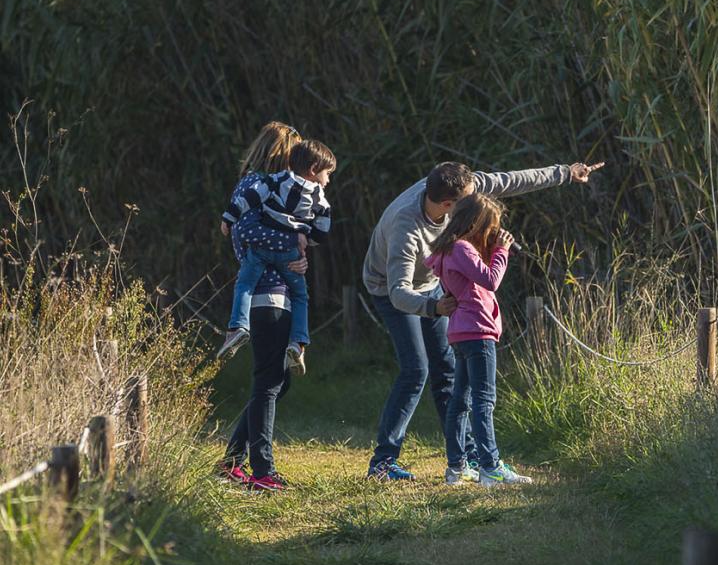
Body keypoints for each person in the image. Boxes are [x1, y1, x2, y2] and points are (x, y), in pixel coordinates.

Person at [362, 158, 604, 481]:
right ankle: (383, 462)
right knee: (416, 369)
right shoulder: (407, 227)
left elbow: (510, 180)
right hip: (391, 287)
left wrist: (565, 173)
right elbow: (398, 292)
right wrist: (434, 308)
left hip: (434, 284)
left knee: (449, 372)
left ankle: (467, 460)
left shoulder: (457, 188)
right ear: (450, 205)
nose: (478, 203)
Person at [215, 121, 307, 492]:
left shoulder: (266, 189)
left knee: (275, 381)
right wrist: (294, 243)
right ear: (283, 154)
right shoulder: (257, 185)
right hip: (266, 294)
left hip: (277, 291)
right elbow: (245, 231)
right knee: (269, 382)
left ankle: (232, 460)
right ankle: (262, 471)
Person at [425, 194, 530, 487]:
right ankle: (490, 466)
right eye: (492, 226)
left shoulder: (448, 249)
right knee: (484, 401)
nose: (495, 232)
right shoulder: (462, 248)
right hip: (477, 332)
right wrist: (501, 251)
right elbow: (491, 280)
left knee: (460, 401)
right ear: (478, 224)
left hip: (460, 333)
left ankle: (457, 466)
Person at [217, 139, 336, 375]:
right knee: (301, 296)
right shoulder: (319, 198)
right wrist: (305, 240)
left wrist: (228, 218)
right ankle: (299, 342)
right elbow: (322, 229)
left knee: (244, 284)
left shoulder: (274, 180)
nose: (328, 179)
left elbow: (248, 200)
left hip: (260, 251)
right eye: (327, 173)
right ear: (313, 170)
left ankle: (238, 326)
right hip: (289, 255)